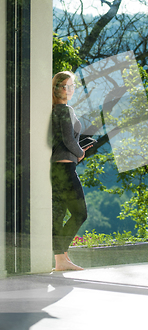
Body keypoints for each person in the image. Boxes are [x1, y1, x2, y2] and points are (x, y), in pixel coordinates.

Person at [51, 70, 91, 271]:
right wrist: (81, 152)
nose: (70, 89)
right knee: (80, 213)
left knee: (59, 214)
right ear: (58, 88)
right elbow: (68, 140)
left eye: (72, 85)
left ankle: (61, 260)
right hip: (66, 167)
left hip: (59, 167)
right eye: (66, 86)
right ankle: (61, 257)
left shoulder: (57, 109)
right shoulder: (64, 110)